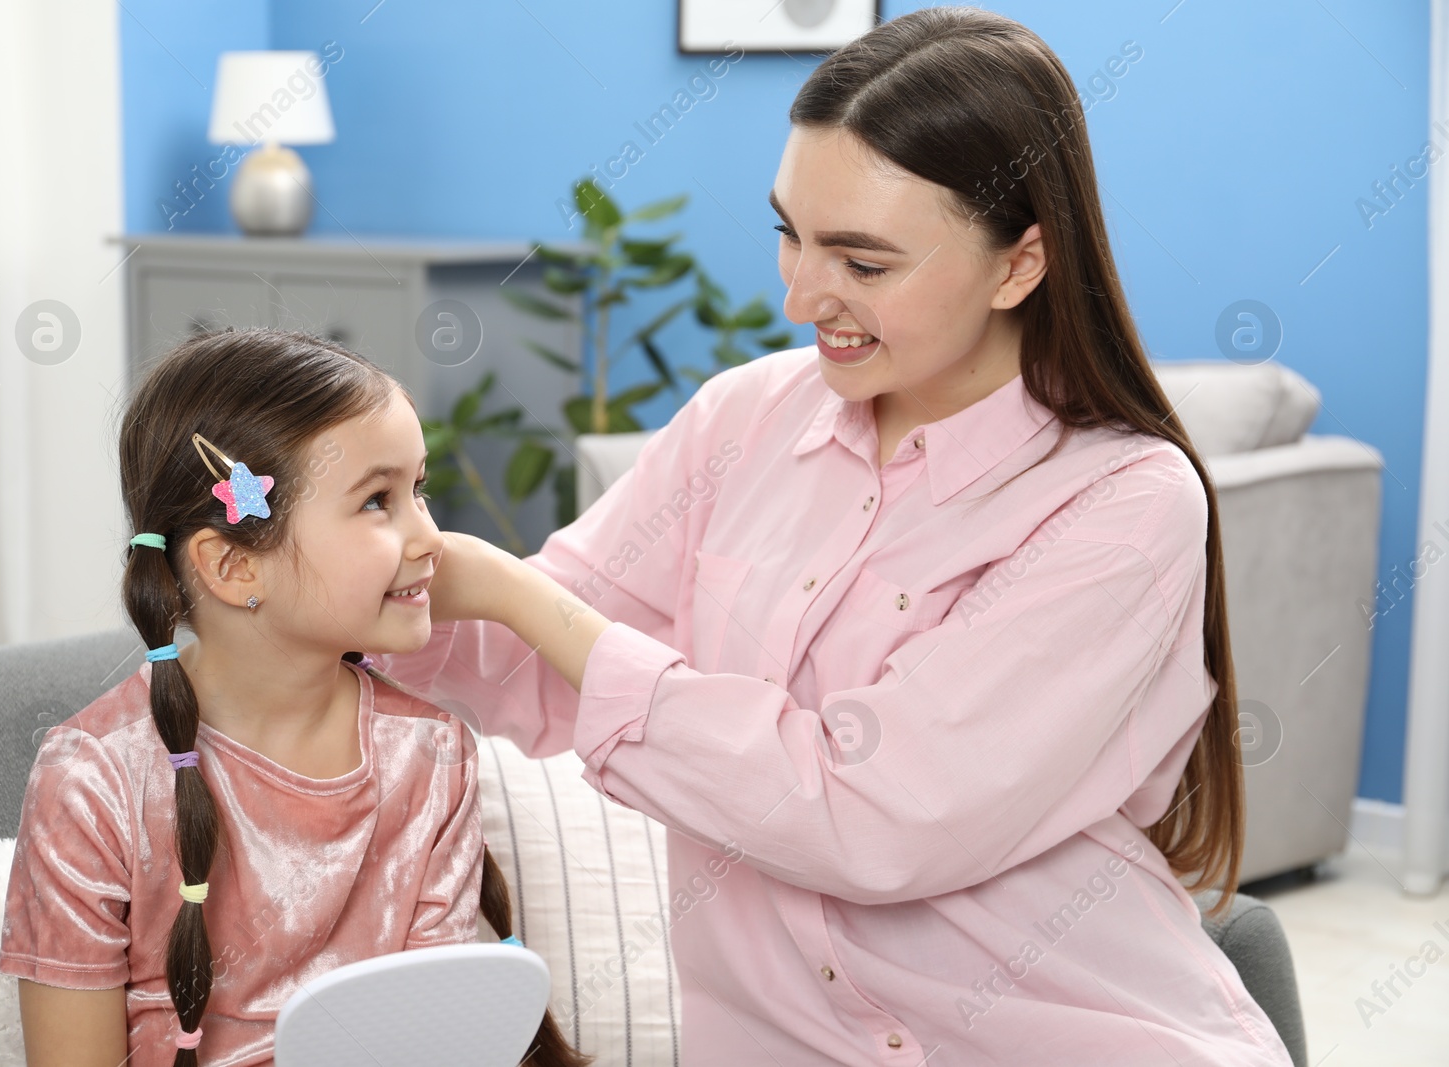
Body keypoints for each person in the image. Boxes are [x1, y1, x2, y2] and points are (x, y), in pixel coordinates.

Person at [374, 8, 1296, 1065]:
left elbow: (867, 814)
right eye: (789, 233)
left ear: (1019, 264)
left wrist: (516, 592)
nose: (802, 293)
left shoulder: (1123, 504)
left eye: (862, 261)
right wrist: (358, 583)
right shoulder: (744, 418)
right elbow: (531, 668)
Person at [0, 330, 588, 1067]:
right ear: (235, 566)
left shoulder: (432, 752)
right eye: (377, 500)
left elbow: (439, 1042)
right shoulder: (91, 781)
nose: (432, 536)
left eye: (419, 490)